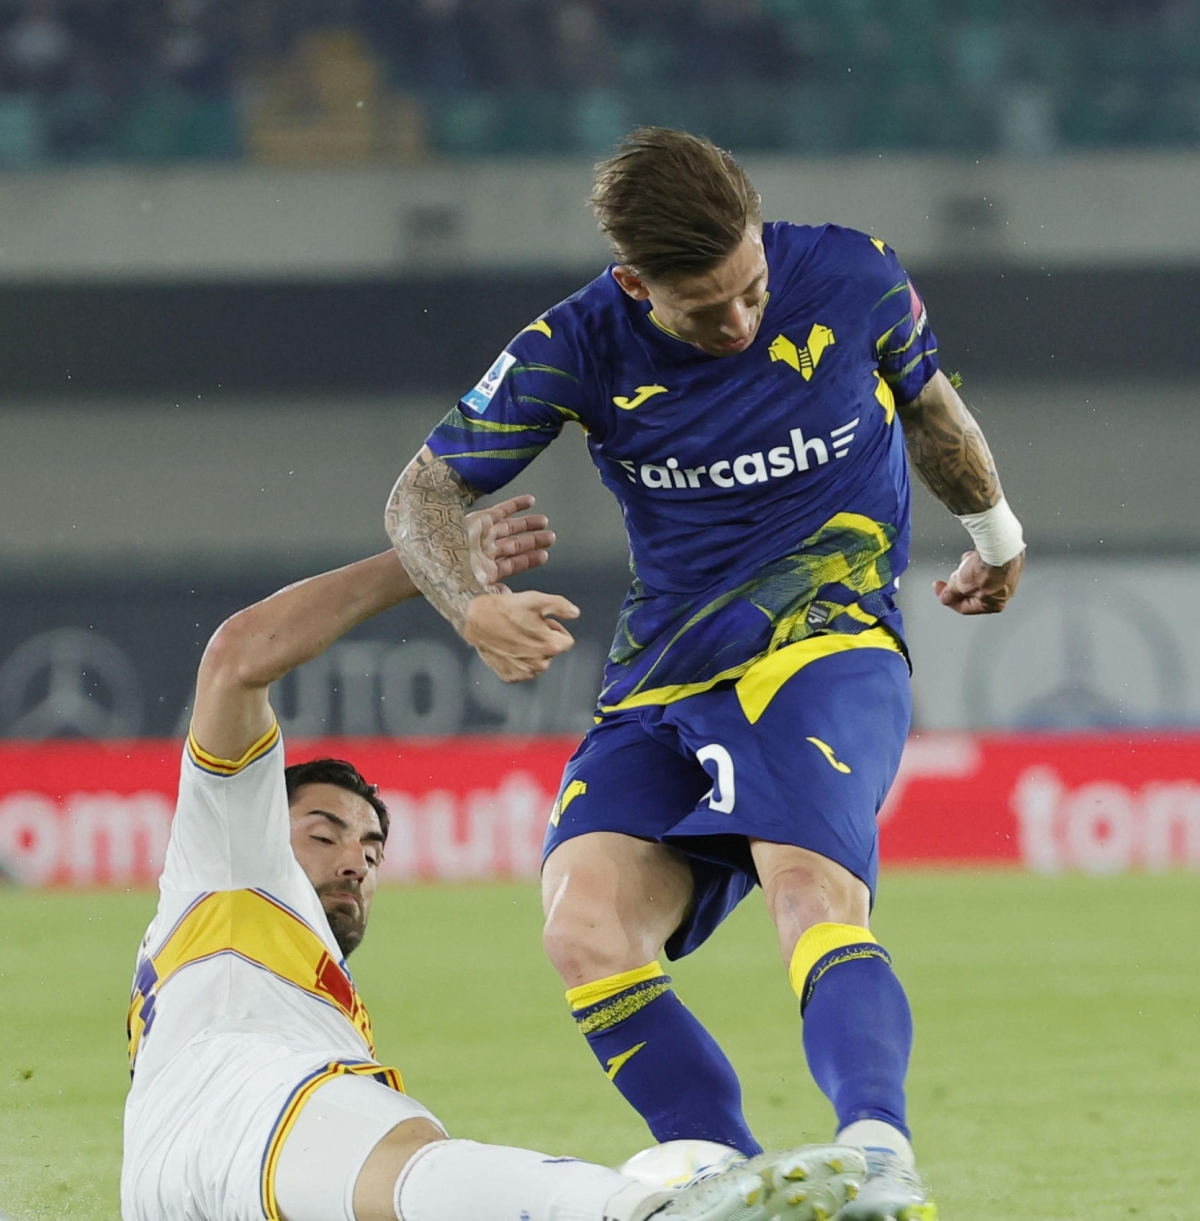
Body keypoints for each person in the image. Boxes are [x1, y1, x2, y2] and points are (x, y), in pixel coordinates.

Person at [383, 128, 1029, 1221]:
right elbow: (421, 498)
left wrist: (999, 538)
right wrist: (473, 604)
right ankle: (736, 1182)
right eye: (702, 310)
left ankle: (878, 1157)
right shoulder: (577, 344)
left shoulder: (852, 272)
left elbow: (931, 409)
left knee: (807, 882)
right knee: (581, 927)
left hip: (828, 645)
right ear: (635, 284)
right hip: (665, 675)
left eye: (749, 290)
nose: (737, 323)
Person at [0, 494, 874, 1221]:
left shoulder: (308, 985)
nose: (351, 859)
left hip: (162, 1170)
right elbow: (236, 655)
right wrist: (430, 562)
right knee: (410, 1163)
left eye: (370, 848)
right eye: (324, 830)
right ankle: (643, 1205)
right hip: (249, 1098)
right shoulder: (229, 857)